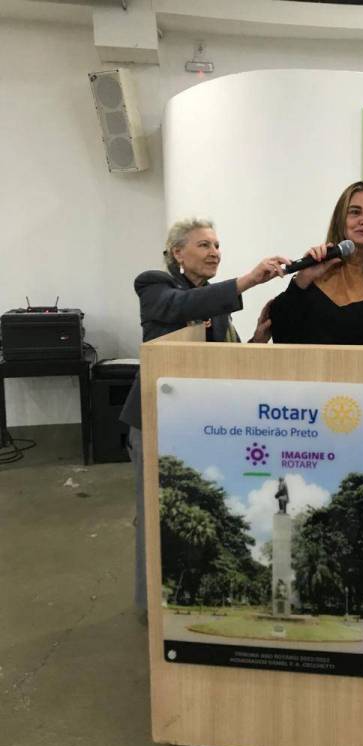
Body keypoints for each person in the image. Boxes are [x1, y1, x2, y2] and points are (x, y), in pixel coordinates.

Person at [120, 217, 288, 613]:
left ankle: (192, 601)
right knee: (154, 515)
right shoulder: (154, 286)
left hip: (200, 426)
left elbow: (228, 362)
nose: (215, 252)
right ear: (178, 253)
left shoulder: (218, 303)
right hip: (155, 420)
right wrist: (249, 280)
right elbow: (180, 307)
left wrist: (258, 338)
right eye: (204, 245)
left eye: (217, 245)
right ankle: (151, 609)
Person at [269, 181, 363, 345]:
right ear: (340, 220)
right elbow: (282, 334)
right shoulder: (318, 266)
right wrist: (303, 278)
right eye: (355, 212)